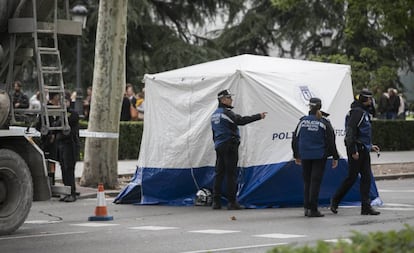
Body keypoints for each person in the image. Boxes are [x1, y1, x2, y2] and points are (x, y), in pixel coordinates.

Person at [210, 89, 267, 210]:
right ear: (223, 100)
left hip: (219, 145)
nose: (231, 100)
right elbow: (241, 121)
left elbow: (214, 132)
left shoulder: (214, 114)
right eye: (229, 98)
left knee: (219, 173)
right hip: (230, 145)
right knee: (231, 174)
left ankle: (216, 201)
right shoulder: (227, 113)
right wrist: (258, 116)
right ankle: (232, 202)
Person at [330, 89, 381, 215]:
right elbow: (351, 132)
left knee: (366, 178)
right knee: (352, 177)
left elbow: (362, 132)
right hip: (357, 149)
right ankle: (335, 200)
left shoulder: (362, 112)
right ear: (366, 100)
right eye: (370, 99)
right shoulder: (358, 113)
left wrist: (370, 145)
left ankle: (366, 207)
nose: (372, 102)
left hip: (363, 148)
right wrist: (353, 150)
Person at [292, 97, 339, 218]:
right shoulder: (324, 122)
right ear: (320, 107)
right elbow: (331, 140)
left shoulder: (302, 121)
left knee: (307, 182)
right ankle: (313, 209)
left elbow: (295, 138)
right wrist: (335, 156)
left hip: (305, 155)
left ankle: (307, 208)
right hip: (319, 155)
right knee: (315, 182)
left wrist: (296, 154)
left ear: (309, 106)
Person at [57, 92, 80, 202]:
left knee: (69, 169)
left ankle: (72, 193)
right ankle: (67, 192)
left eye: (65, 101)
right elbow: (56, 125)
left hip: (70, 145)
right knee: (63, 169)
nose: (63, 103)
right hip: (62, 144)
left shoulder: (73, 113)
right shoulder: (60, 114)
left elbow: (67, 122)